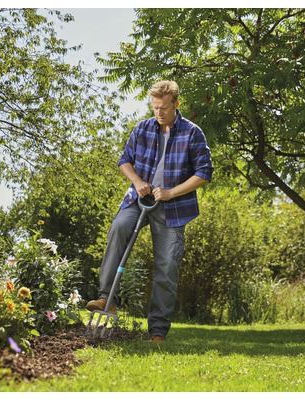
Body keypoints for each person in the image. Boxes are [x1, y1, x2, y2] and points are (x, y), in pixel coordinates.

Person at [86, 80, 214, 342]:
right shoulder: (143, 128)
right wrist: (138, 182)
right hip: (139, 199)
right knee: (119, 227)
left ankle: (157, 330)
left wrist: (170, 192)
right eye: (155, 107)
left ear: (176, 104)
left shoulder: (192, 133)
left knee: (167, 265)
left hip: (174, 208)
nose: (159, 113)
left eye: (164, 108)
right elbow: (124, 161)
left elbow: (204, 173)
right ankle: (106, 298)